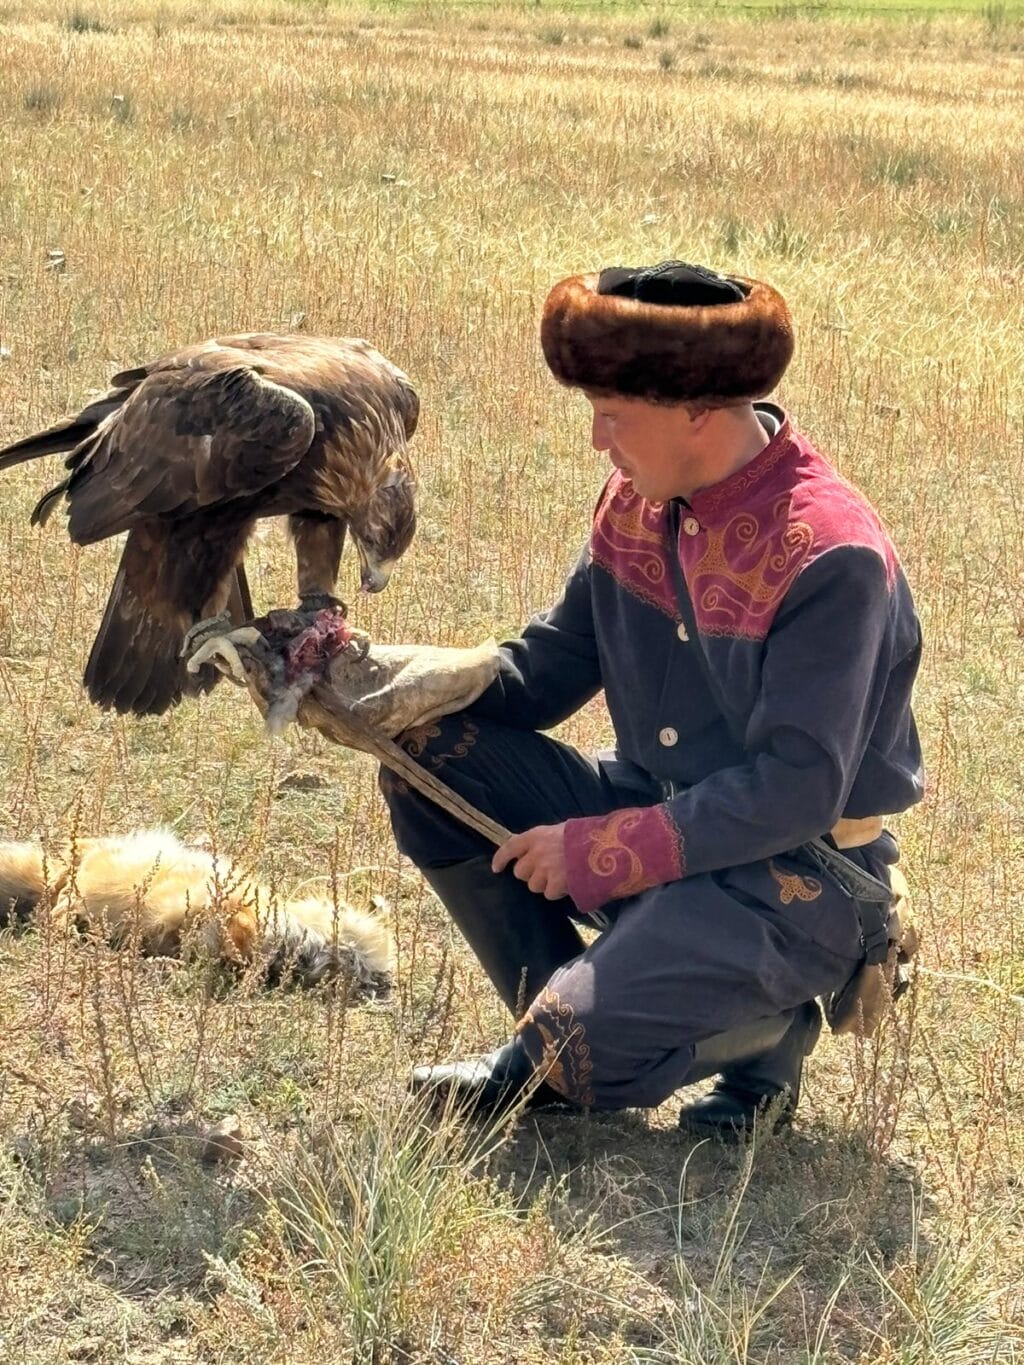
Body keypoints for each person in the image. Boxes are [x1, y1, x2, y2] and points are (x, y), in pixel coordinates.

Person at [379, 261, 924, 1139]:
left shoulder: (831, 554)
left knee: (574, 1045)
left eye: (612, 412)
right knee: (424, 757)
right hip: (657, 816)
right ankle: (566, 1032)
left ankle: (754, 1032)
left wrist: (601, 850)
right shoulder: (638, 498)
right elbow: (552, 665)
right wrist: (388, 686)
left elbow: (795, 791)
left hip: (793, 877)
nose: (598, 438)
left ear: (695, 411)